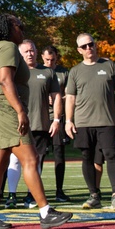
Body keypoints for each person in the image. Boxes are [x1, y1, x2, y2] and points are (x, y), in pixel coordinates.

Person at [0, 13, 72, 229]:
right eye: (18, 25)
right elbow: (5, 80)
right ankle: (45, 212)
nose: (22, 28)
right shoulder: (8, 47)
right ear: (8, 28)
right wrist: (20, 110)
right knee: (30, 159)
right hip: (6, 110)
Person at [65, 33, 115, 210]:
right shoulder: (75, 71)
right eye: (84, 46)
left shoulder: (109, 66)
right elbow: (70, 98)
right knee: (87, 158)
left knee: (111, 156)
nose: (88, 48)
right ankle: (94, 195)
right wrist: (69, 121)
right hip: (84, 122)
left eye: (90, 44)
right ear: (79, 50)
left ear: (95, 44)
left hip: (107, 121)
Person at [18, 40, 63, 209]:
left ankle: (31, 195)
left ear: (37, 52)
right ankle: (9, 195)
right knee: (12, 162)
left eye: (32, 50)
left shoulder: (48, 72)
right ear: (20, 54)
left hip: (40, 124)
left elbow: (57, 96)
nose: (30, 54)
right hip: (18, 125)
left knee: (37, 161)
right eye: (26, 51)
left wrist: (56, 119)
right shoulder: (15, 72)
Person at [41, 46, 72, 202]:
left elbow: (70, 93)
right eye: (47, 60)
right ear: (42, 57)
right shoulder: (38, 71)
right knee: (38, 156)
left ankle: (59, 190)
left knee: (59, 155)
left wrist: (59, 97)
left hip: (57, 119)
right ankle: (33, 192)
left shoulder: (63, 72)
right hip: (41, 119)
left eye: (53, 60)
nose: (50, 63)